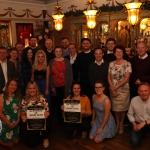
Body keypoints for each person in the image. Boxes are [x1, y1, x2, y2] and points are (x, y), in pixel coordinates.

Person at [108, 45, 132, 134]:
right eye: (117, 52)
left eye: (120, 52)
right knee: (116, 108)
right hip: (113, 89)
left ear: (123, 53)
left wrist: (115, 87)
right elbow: (108, 77)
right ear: (114, 53)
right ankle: (117, 123)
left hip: (124, 90)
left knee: (123, 108)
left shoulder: (127, 64)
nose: (118, 53)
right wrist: (112, 89)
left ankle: (121, 123)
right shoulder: (111, 64)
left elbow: (126, 79)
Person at [21, 81, 50, 148]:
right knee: (32, 143)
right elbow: (22, 111)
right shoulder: (24, 99)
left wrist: (47, 113)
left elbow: (47, 110)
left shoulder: (42, 98)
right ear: (27, 90)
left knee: (48, 122)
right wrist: (23, 116)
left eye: (34, 88)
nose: (32, 90)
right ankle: (38, 132)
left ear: (36, 89)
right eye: (30, 88)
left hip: (41, 121)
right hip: (31, 123)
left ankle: (45, 137)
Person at [49, 46, 73, 124]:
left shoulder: (66, 61)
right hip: (55, 87)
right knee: (57, 104)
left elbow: (70, 74)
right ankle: (60, 120)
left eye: (60, 51)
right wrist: (52, 86)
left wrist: (70, 87)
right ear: (54, 52)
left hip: (65, 86)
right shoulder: (51, 62)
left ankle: (66, 120)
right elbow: (49, 75)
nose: (58, 53)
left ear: (62, 52)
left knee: (65, 103)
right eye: (56, 51)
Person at [0, 78, 20, 147]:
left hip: (15, 123)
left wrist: (17, 121)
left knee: (16, 141)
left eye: (15, 85)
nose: (13, 87)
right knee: (10, 144)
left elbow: (19, 110)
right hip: (5, 122)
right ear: (8, 85)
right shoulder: (2, 96)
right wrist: (8, 123)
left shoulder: (17, 96)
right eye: (11, 85)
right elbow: (0, 113)